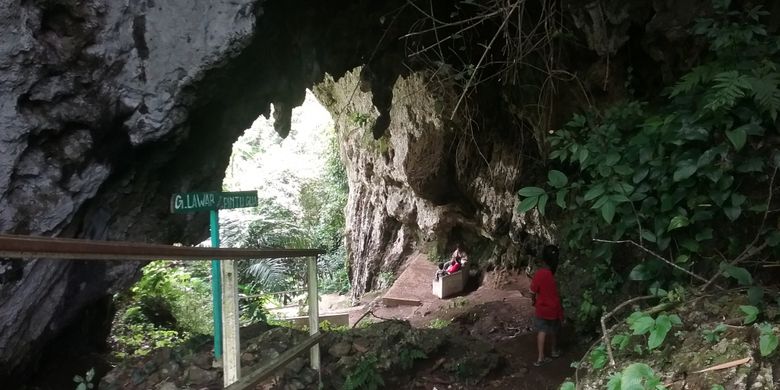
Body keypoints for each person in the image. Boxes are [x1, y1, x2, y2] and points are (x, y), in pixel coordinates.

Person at [529, 244, 563, 367]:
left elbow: (532, 291)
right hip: (554, 309)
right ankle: (554, 351)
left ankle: (540, 357)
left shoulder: (539, 274)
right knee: (554, 330)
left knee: (542, 331)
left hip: (542, 308)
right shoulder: (555, 276)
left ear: (543, 258)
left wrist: (533, 300)